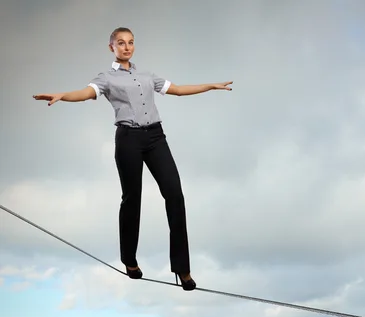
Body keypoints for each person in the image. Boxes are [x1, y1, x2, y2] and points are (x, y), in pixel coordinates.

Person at [33, 27, 233, 291]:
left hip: (155, 137)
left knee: (175, 194)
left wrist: (209, 86)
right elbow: (86, 93)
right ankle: (129, 259)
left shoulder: (147, 75)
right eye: (121, 43)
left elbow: (179, 90)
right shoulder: (106, 78)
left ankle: (182, 269)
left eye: (130, 43)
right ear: (112, 47)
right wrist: (63, 96)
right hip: (128, 139)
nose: (126, 47)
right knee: (132, 199)